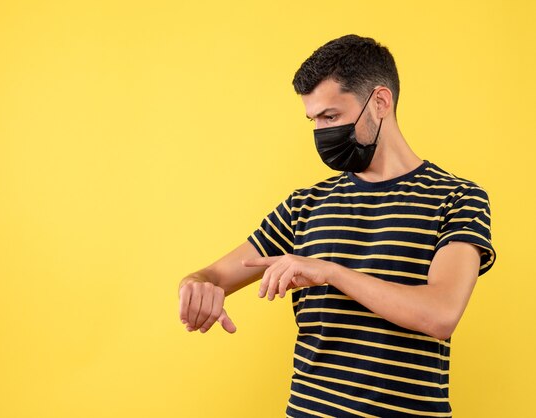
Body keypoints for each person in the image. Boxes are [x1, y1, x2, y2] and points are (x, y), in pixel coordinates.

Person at [177, 34, 496, 417]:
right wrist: (195, 287)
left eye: (331, 117)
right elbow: (211, 275)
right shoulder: (304, 205)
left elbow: (440, 314)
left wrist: (330, 271)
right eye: (313, 120)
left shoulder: (458, 198)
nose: (321, 132)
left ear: (380, 102)